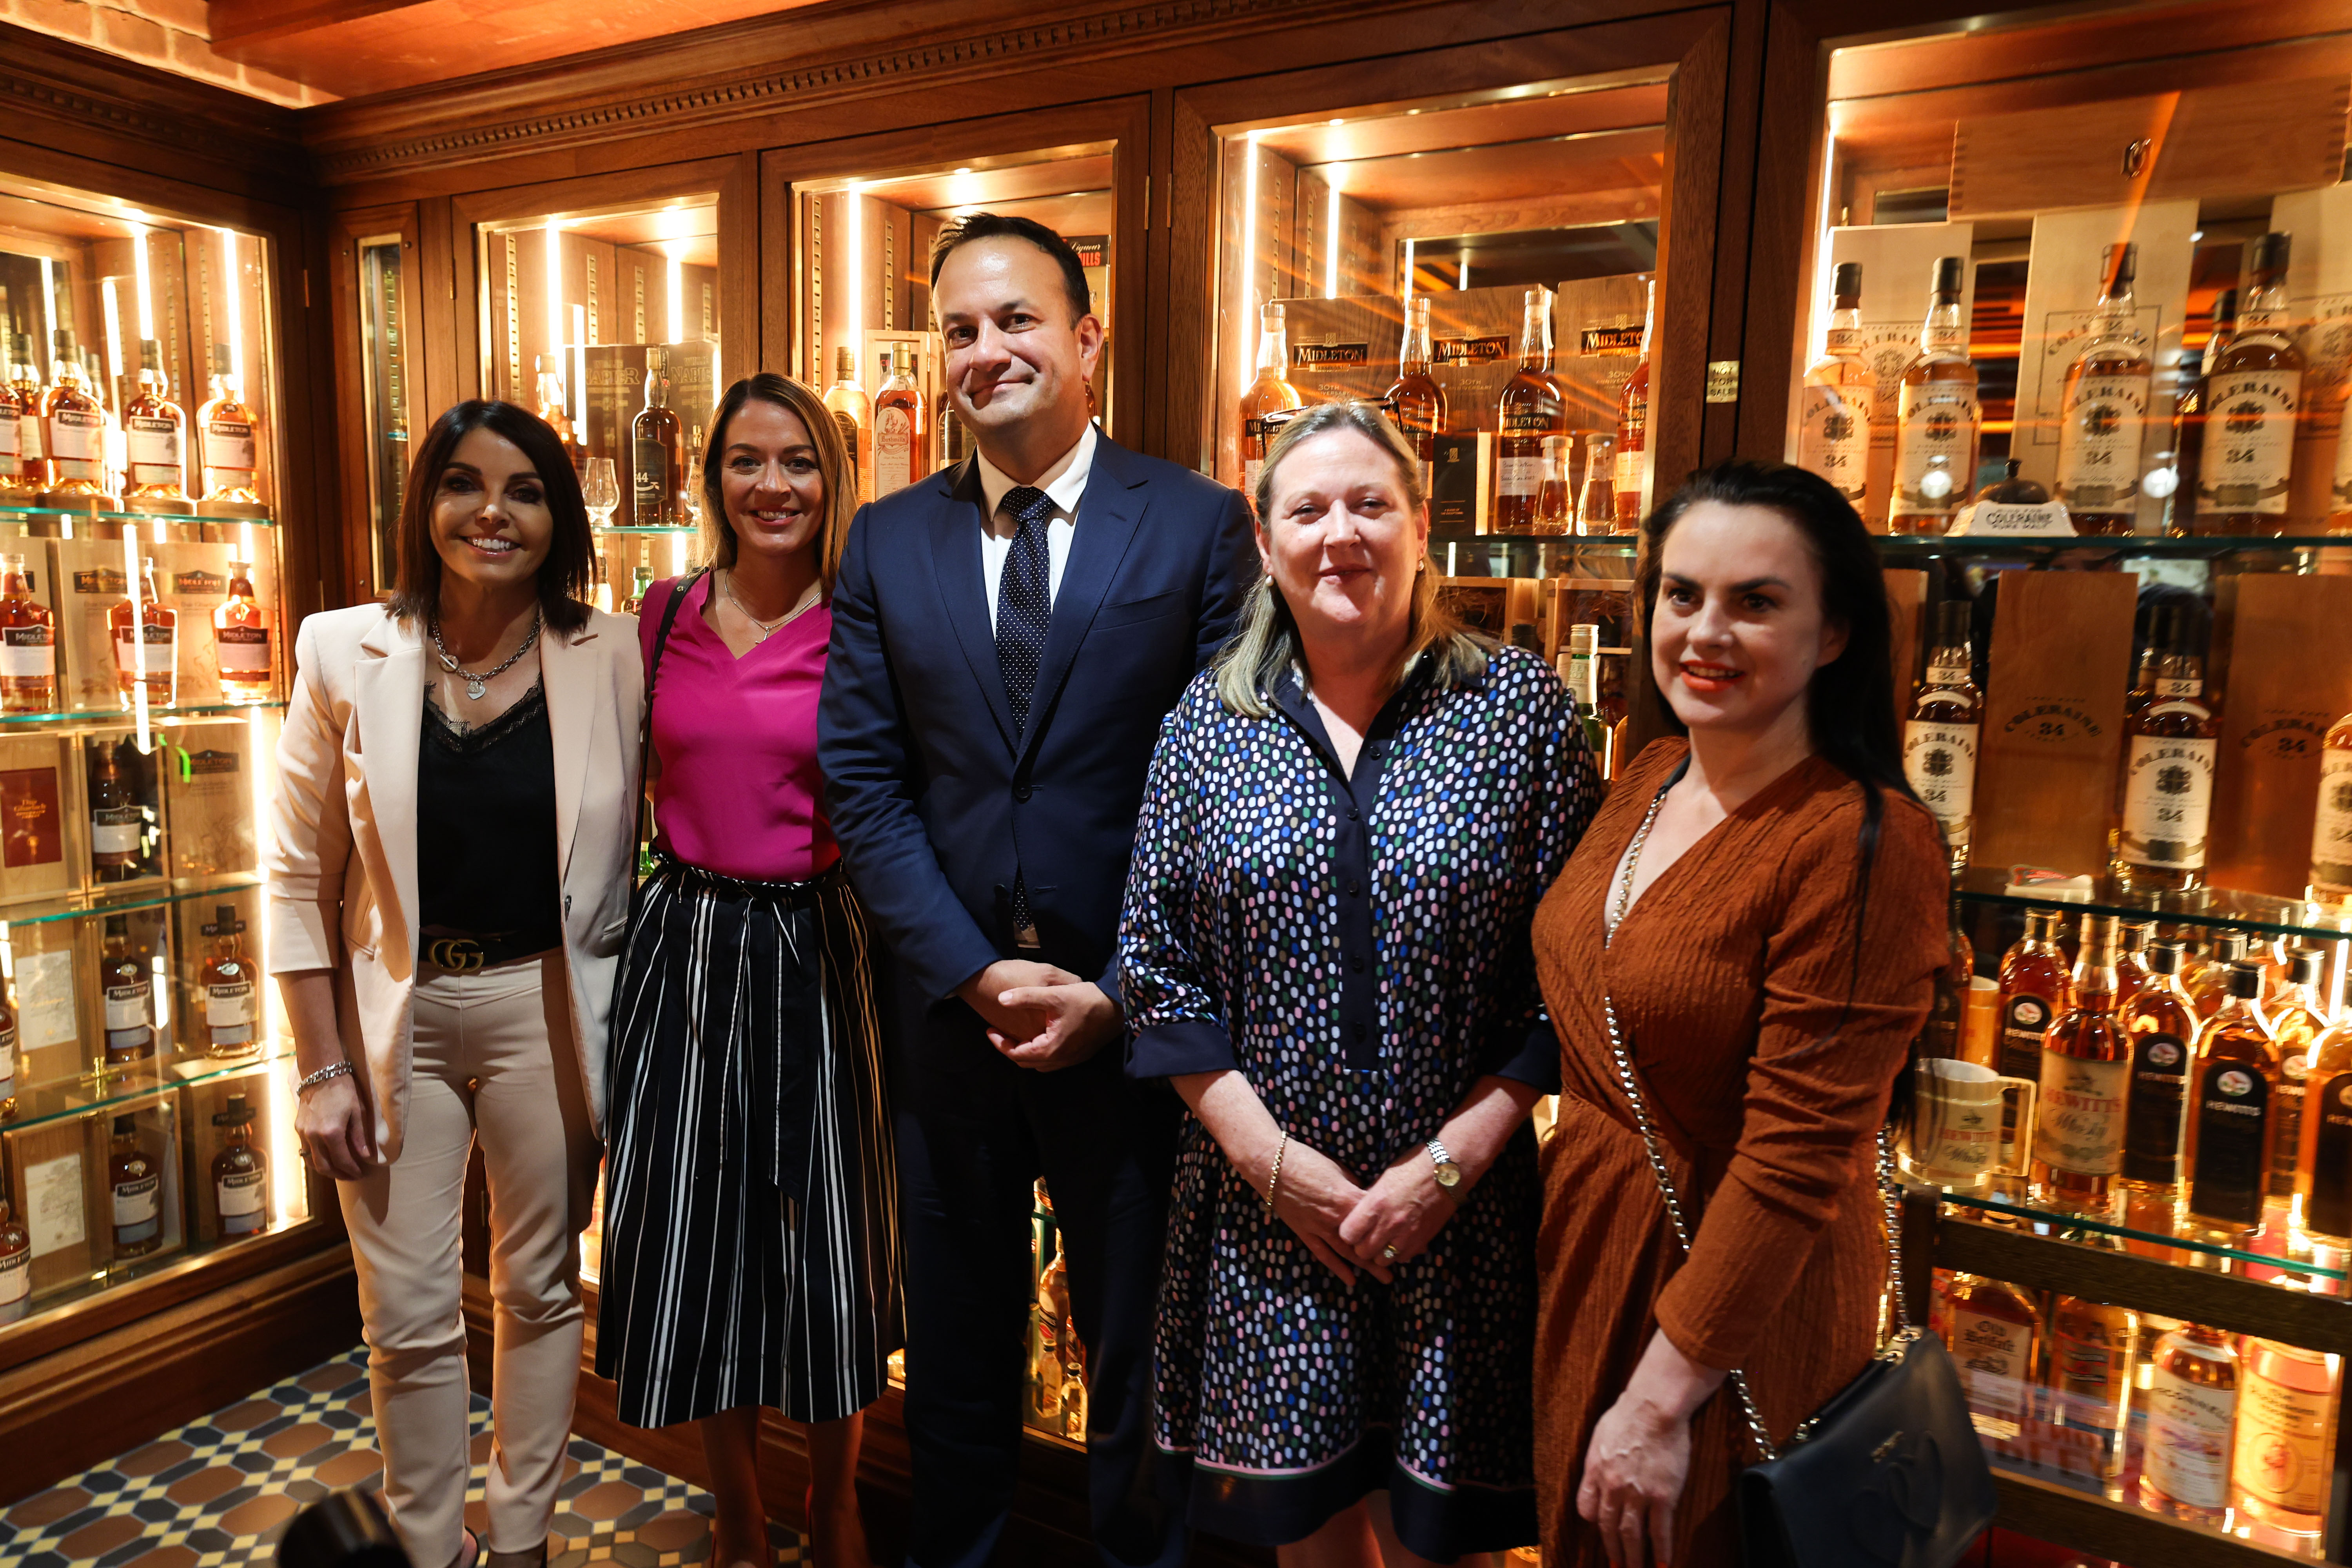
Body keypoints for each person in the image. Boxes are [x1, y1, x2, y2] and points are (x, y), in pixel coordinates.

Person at [817, 212, 1255, 1568]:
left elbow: (1230, 788)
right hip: (953, 1026)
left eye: (1017, 320)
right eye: (959, 330)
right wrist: (971, 970)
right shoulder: (887, 540)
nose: (986, 351)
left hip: (1134, 1031)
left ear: (1087, 338)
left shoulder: (1195, 523)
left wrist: (1119, 989)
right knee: (955, 1359)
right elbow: (863, 783)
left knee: (1139, 1364)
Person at [1121, 401, 1601, 1566]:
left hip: (1461, 1220)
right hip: (1271, 1221)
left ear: (1422, 528)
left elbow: (1572, 973)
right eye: (1309, 510)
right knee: (1315, 1546)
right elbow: (1155, 966)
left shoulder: (1520, 713)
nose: (1340, 534)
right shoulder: (1206, 726)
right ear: (1266, 539)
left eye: (1370, 504)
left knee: (1448, 1544)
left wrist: (1447, 1169)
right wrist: (1273, 1166)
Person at [1529, 461, 1947, 1566]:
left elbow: (1799, 1156)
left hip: (1728, 1301)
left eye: (1755, 602)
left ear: (1834, 633)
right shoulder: (1653, 773)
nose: (1706, 633)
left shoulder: (1865, 840)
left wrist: (1660, 1400)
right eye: (1683, 595)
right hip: (1596, 1241)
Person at [267, 401, 644, 1568]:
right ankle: (432, 1548)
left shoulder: (618, 652)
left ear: (560, 516)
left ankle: (521, 1539)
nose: (492, 511)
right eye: (463, 484)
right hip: (399, 1016)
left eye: (525, 490)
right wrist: (321, 1070)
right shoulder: (343, 648)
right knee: (407, 1315)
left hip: (548, 1009)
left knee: (540, 1292)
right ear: (424, 502)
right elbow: (296, 877)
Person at [595, 374, 895, 1568]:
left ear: (834, 478)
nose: (773, 486)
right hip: (686, 946)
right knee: (699, 1241)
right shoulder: (662, 613)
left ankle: (836, 1503)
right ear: (710, 478)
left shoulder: (863, 624)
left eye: (799, 461)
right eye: (746, 462)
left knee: (828, 1244)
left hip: (818, 943)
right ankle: (735, 1514)